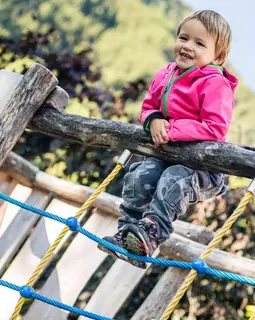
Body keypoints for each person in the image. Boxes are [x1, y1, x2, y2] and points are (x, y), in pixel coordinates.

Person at [97, 10, 239, 268]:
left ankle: (151, 235)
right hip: (165, 157)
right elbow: (148, 106)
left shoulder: (215, 84)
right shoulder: (165, 74)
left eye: (199, 43)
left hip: (201, 169)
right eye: (183, 38)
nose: (187, 46)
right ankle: (127, 233)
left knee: (173, 178)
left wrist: (171, 129)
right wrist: (153, 120)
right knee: (142, 174)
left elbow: (215, 127)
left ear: (217, 56)